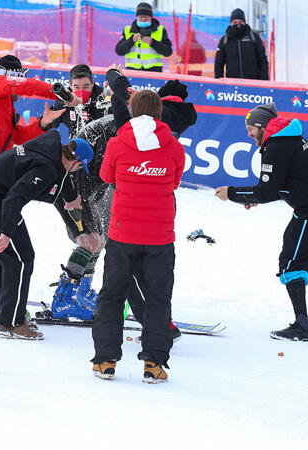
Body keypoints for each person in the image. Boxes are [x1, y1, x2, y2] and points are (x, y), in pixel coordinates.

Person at [0, 54, 76, 318]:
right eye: (16, 80)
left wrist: (44, 123)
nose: (18, 93)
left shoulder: (3, 103)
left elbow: (19, 137)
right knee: (0, 237)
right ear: (10, 77)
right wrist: (58, 91)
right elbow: (22, 86)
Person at [214, 103, 308, 342]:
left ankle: (302, 327)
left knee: (291, 262)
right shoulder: (289, 139)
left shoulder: (276, 146)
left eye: (251, 129)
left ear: (262, 127)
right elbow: (290, 181)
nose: (248, 134)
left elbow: (267, 191)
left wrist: (231, 194)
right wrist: (258, 197)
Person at [91, 89, 185, 383]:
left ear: (132, 112)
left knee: (112, 296)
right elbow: (175, 181)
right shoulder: (174, 147)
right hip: (159, 236)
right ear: (159, 113)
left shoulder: (118, 144)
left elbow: (107, 177)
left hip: (123, 234)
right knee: (158, 299)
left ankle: (106, 360)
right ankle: (154, 365)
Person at [0, 130, 93, 340]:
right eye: (79, 167)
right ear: (75, 160)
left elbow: (62, 172)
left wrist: (70, 197)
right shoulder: (46, 167)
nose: (77, 172)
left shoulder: (46, 149)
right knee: (22, 259)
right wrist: (6, 232)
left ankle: (5, 313)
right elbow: (14, 198)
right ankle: (13, 322)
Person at [105, 66, 197, 339]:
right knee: (154, 278)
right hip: (160, 210)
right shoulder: (175, 125)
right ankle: (161, 324)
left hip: (128, 212)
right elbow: (174, 182)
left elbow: (108, 171)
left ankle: (151, 326)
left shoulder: (129, 133)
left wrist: (117, 93)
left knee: (127, 276)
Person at [46, 64, 113, 319]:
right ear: (70, 85)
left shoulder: (102, 100)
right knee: (87, 238)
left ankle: (83, 290)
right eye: (77, 87)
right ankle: (66, 296)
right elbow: (47, 125)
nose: (82, 91)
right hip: (75, 173)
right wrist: (64, 106)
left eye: (86, 87)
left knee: (100, 238)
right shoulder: (67, 100)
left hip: (99, 175)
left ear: (93, 83)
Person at [114, 2, 173, 72]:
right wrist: (131, 40)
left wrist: (152, 42)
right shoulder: (128, 30)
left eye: (146, 17)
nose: (143, 19)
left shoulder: (160, 30)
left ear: (151, 17)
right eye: (141, 17)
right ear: (137, 17)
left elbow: (168, 52)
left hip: (154, 72)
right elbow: (119, 51)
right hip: (133, 72)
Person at [214, 8, 269, 80]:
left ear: (244, 22)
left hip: (253, 83)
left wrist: (263, 79)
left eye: (240, 22)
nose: (238, 25)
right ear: (231, 23)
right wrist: (219, 81)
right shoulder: (224, 41)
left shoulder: (254, 38)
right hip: (233, 84)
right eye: (235, 22)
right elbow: (219, 63)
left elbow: (262, 60)